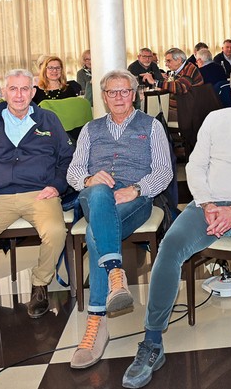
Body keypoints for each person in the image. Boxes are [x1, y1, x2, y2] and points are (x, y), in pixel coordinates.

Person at [121, 62, 231, 387]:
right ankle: (152, 341)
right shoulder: (216, 120)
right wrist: (206, 203)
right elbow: (196, 165)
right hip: (208, 207)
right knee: (170, 247)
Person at [66, 70, 172, 369]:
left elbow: (164, 171)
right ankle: (115, 273)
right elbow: (73, 172)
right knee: (99, 191)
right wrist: (89, 179)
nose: (118, 97)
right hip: (95, 196)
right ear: (103, 96)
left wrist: (136, 189)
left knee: (94, 234)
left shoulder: (151, 126)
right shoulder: (90, 129)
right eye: (112, 92)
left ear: (134, 94)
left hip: (135, 199)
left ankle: (96, 322)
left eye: (124, 91)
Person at [0, 69, 74, 325]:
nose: (19, 95)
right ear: (4, 92)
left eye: (25, 89)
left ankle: (40, 284)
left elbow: (67, 159)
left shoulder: (49, 120)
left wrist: (57, 186)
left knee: (56, 232)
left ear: (33, 92)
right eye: (13, 89)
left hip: (40, 194)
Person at [161, 48, 204, 123]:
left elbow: (179, 87)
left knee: (157, 113)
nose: (166, 64)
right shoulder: (179, 70)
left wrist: (156, 83)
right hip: (182, 106)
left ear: (179, 60)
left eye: (169, 61)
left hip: (188, 111)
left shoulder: (189, 69)